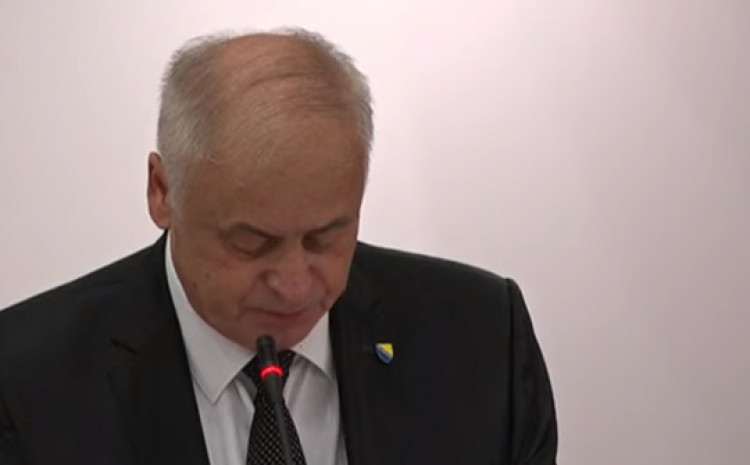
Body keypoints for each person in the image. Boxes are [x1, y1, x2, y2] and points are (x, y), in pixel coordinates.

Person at [0, 28, 557, 465]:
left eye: (324, 238)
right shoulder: (24, 380)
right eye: (251, 244)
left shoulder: (482, 338)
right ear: (162, 191)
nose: (293, 285)